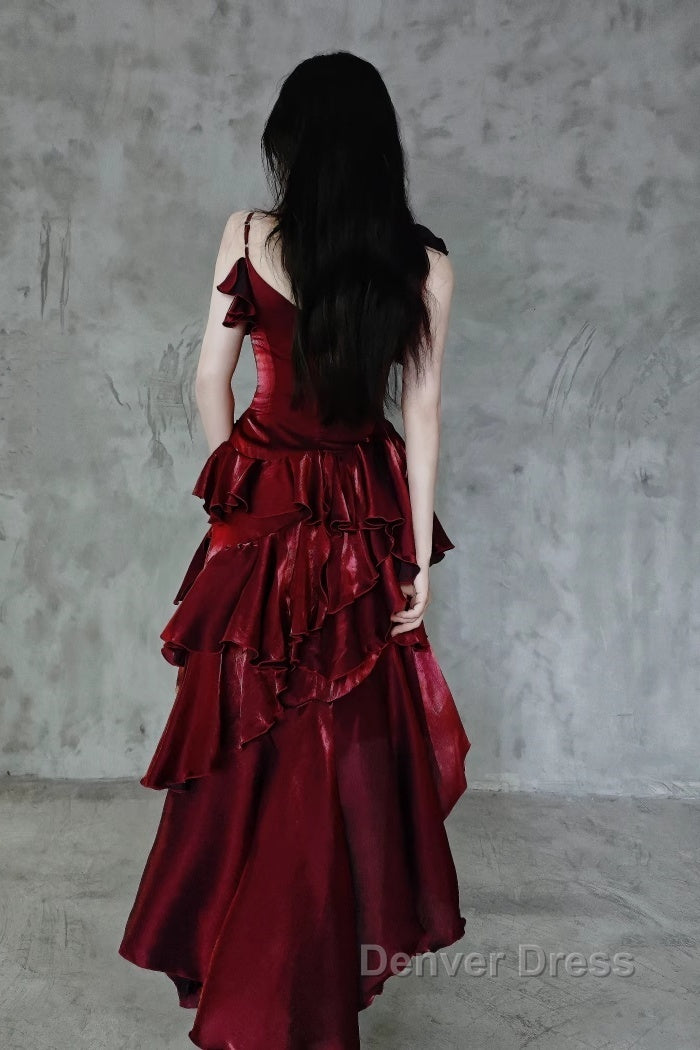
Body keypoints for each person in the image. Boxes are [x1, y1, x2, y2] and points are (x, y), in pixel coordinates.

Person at [118, 50, 471, 1050]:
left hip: (264, 511)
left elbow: (209, 381)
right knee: (342, 748)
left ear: (295, 143)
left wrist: (233, 489)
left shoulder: (247, 233)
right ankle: (310, 990)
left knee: (249, 741)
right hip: (364, 516)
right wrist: (415, 557)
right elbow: (424, 415)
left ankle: (252, 981)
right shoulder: (425, 264)